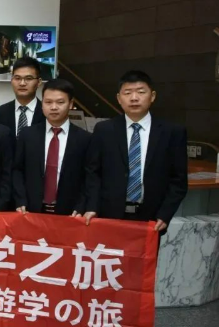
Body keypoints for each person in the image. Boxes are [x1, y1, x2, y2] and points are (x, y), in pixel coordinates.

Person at [80, 70, 188, 234]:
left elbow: (178, 180)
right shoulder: (104, 130)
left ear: (152, 96)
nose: (134, 98)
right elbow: (93, 172)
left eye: (141, 92)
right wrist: (92, 206)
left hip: (151, 218)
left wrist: (165, 215)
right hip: (108, 215)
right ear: (119, 98)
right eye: (127, 93)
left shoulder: (172, 132)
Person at [13, 78, 92, 215]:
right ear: (42, 104)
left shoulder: (84, 138)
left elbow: (89, 178)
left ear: (70, 104)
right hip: (31, 210)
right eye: (48, 102)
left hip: (69, 213)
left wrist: (81, 206)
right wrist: (20, 200)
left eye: (60, 102)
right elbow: (17, 170)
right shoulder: (27, 135)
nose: (54, 107)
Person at [0, 57, 45, 139]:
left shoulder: (47, 113)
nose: (22, 83)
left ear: (39, 82)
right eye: (17, 78)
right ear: (11, 80)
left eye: (28, 78)